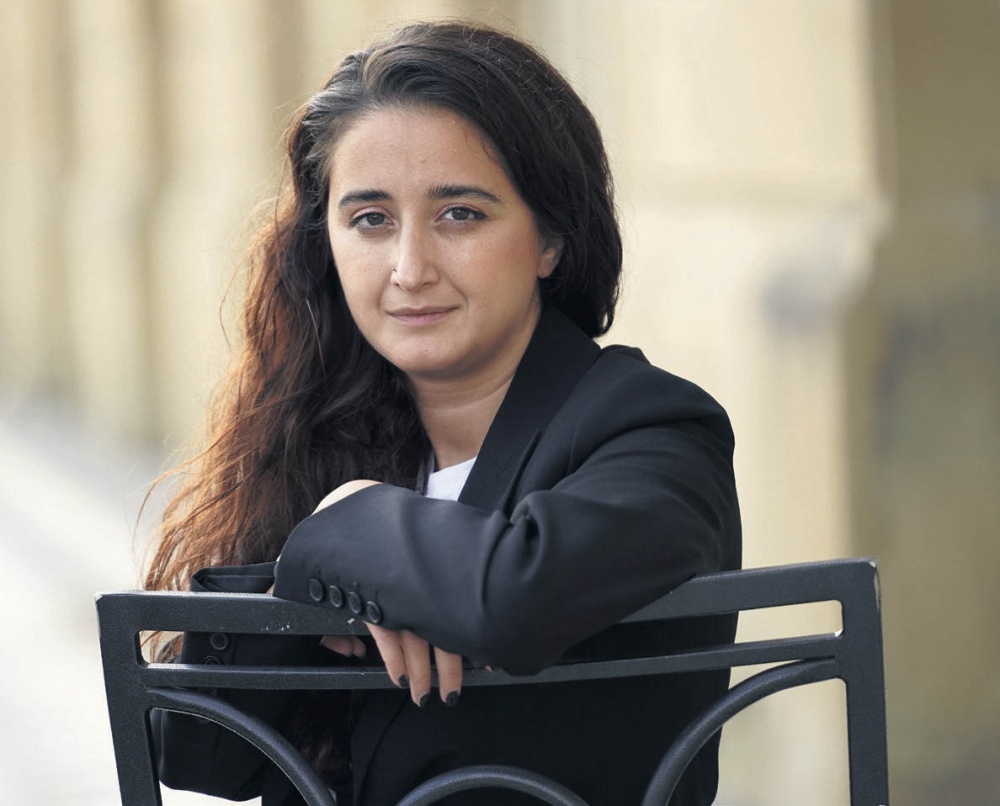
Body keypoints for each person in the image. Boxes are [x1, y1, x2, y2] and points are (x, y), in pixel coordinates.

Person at [145, 19, 741, 806]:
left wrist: (350, 525)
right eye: (371, 219)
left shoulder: (654, 425)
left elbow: (514, 597)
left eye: (460, 213)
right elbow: (202, 754)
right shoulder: (320, 436)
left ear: (550, 239)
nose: (410, 268)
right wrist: (317, 554)